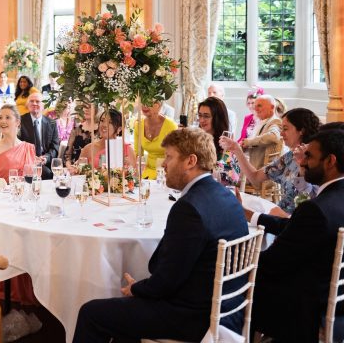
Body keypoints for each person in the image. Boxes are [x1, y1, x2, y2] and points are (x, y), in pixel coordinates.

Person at [73, 128, 249, 342]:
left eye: (169, 157)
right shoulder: (226, 195)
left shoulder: (189, 208)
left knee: (91, 313)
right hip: (228, 311)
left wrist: (137, 288)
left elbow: (166, 281)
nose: (163, 164)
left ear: (190, 161)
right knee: (124, 314)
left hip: (193, 317)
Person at [250, 130, 344, 342]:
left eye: (309, 156)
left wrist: (235, 261)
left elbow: (272, 264)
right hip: (335, 304)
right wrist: (254, 216)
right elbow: (299, 230)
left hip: (304, 310)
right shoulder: (332, 203)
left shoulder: (316, 210)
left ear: (330, 161)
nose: (303, 162)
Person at [0, 105, 39, 305]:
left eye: (8, 117)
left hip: (26, 204)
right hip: (5, 206)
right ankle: (10, 289)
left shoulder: (29, 147)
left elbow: (34, 179)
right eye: (0, 117)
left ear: (17, 122)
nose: (3, 121)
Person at [221, 107, 321, 217]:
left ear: (301, 131)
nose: (281, 134)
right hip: (279, 216)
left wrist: (302, 166)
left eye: (285, 129)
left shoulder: (315, 160)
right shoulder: (289, 157)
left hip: (297, 220)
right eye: (281, 129)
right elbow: (255, 178)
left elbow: (312, 198)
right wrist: (237, 150)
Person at [18, 93, 60, 180]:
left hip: (46, 161)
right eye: (31, 101)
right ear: (27, 104)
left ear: (43, 105)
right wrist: (32, 158)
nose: (34, 103)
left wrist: (46, 158)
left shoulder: (52, 123)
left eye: (37, 101)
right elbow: (18, 145)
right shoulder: (20, 121)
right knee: (46, 173)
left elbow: (55, 147)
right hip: (27, 161)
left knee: (55, 173)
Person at [133, 101, 178, 179]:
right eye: (143, 102)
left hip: (167, 172)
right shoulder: (138, 125)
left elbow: (176, 156)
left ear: (159, 105)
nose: (145, 105)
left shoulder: (171, 126)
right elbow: (137, 153)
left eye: (150, 102)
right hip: (148, 172)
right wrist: (133, 173)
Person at [241, 95, 282, 169]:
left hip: (262, 169)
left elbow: (273, 136)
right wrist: (243, 146)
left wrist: (249, 142)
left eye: (259, 106)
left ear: (272, 107)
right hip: (252, 165)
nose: (255, 109)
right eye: (255, 106)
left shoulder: (275, 121)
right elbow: (257, 143)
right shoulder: (261, 121)